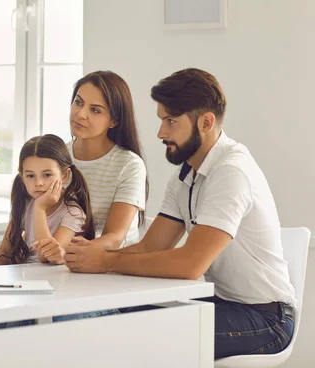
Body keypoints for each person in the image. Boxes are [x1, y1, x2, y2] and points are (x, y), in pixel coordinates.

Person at [64, 68, 295, 359]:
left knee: (131, 335)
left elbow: (190, 265)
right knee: (108, 316)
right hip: (219, 302)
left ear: (206, 122)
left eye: (171, 121)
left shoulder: (231, 172)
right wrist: (92, 262)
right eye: (162, 120)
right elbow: (151, 246)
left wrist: (105, 262)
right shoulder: (186, 175)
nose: (161, 132)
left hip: (266, 318)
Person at [68, 71, 148, 250]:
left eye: (95, 110)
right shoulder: (56, 156)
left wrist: (67, 252)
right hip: (59, 265)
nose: (81, 114)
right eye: (78, 102)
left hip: (110, 269)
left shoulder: (129, 166)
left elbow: (114, 238)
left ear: (113, 121)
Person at [0, 134, 94, 266]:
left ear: (64, 176)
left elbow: (46, 257)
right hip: (27, 275)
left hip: (54, 279)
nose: (38, 182)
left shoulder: (73, 213)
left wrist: (40, 208)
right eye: (30, 175)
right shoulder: (25, 203)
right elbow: (3, 251)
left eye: (47, 175)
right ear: (22, 177)